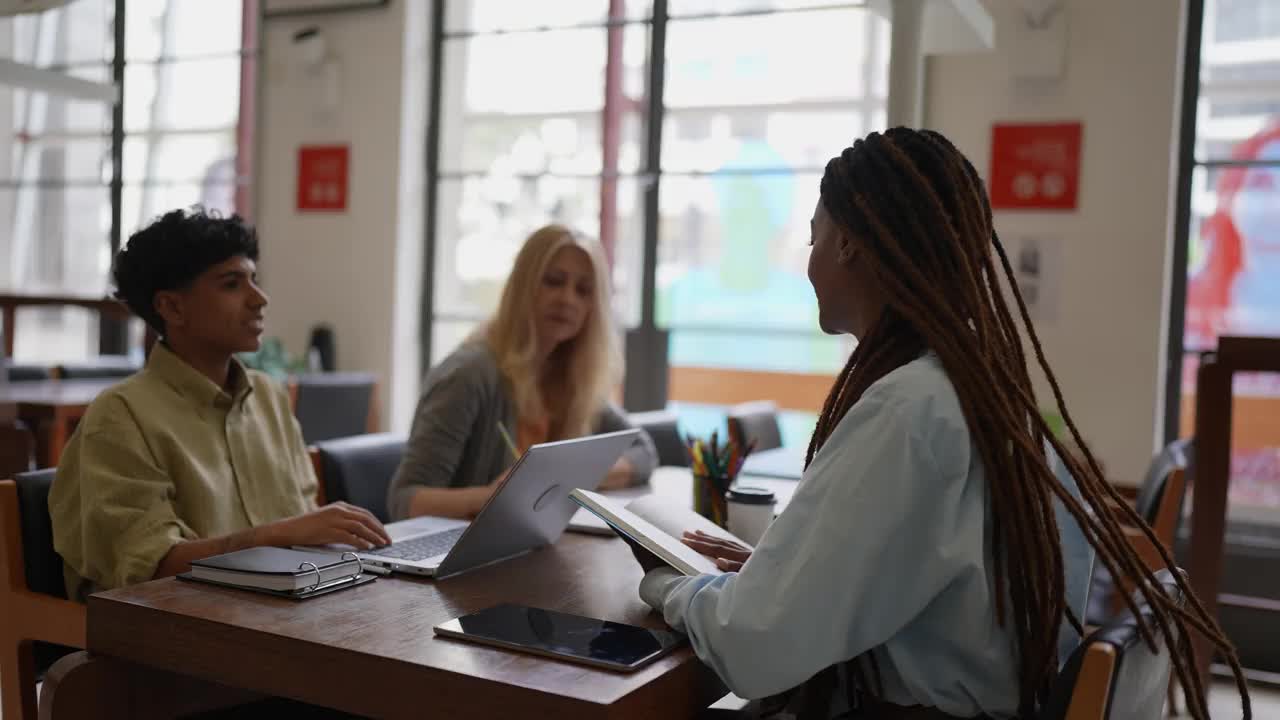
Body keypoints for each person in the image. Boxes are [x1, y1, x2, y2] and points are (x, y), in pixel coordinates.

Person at [633, 129, 1249, 720]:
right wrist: (784, 575)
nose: (810, 262)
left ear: (848, 243)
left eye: (815, 238)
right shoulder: (985, 389)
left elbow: (753, 645)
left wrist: (668, 587)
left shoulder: (905, 409)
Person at [50, 208, 390, 601]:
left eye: (254, 280)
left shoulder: (268, 397)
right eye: (232, 284)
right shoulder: (121, 415)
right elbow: (149, 566)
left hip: (279, 613)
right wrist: (274, 535)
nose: (259, 299)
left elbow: (305, 533)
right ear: (172, 308)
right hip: (182, 628)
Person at [389, 224, 658, 521]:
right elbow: (405, 500)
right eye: (553, 281)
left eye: (583, 290)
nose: (568, 299)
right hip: (459, 556)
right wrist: (493, 497)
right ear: (522, 285)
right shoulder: (468, 375)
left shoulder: (568, 376)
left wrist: (568, 476)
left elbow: (643, 452)